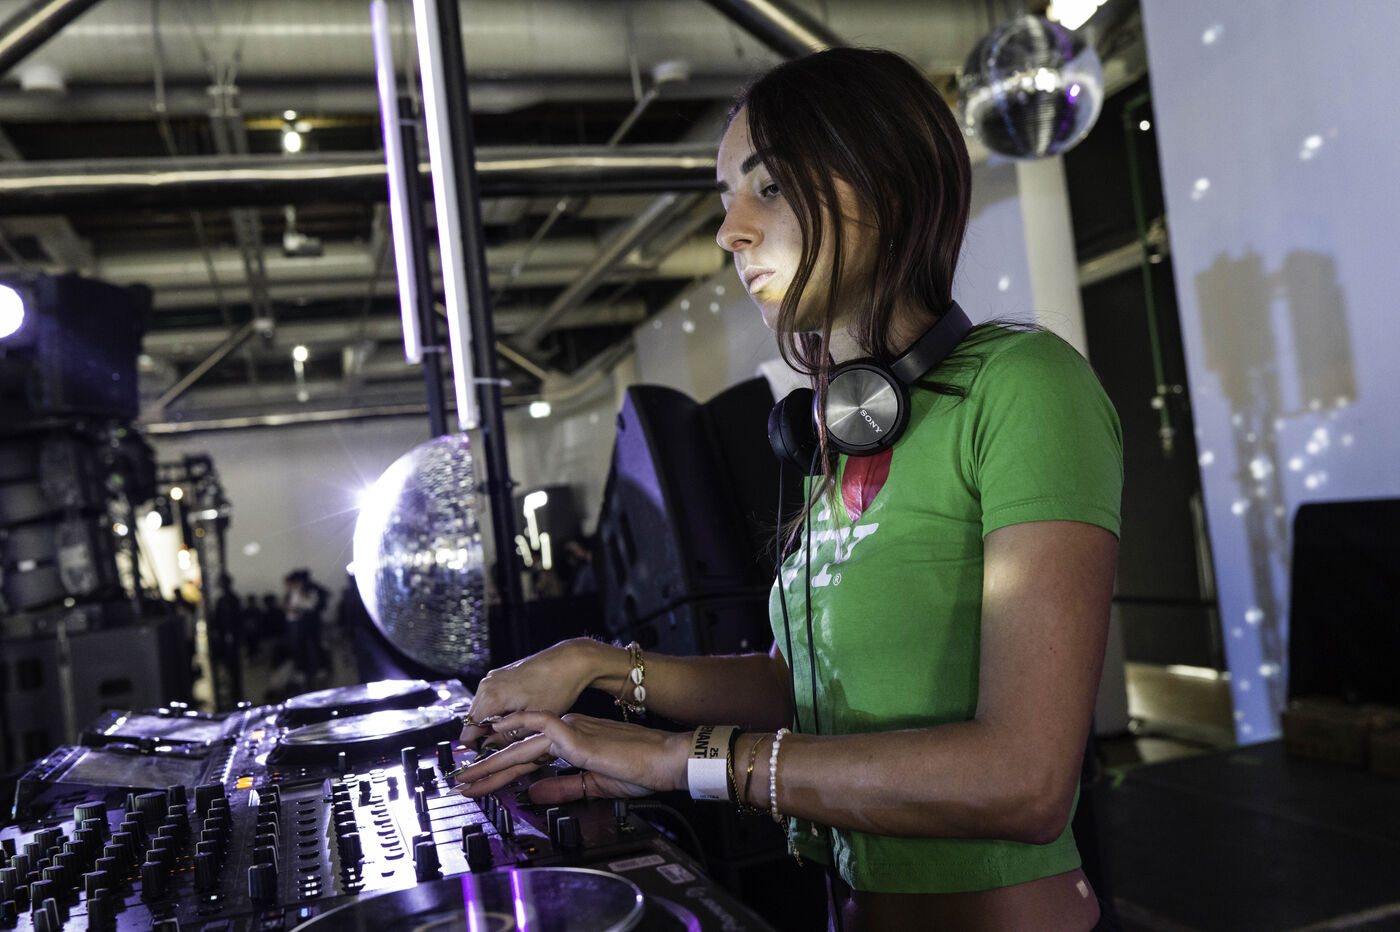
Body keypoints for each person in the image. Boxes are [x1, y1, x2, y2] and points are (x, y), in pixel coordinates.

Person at [454, 48, 1122, 932]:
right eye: (726, 196)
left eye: (767, 187)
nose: (730, 231)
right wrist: (597, 665)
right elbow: (798, 684)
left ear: (884, 186)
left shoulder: (1025, 387)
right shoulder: (844, 430)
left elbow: (1025, 781)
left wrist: (682, 760)